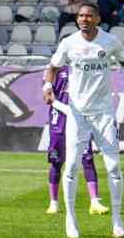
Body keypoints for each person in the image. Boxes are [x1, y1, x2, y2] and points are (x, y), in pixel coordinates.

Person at [43, 3, 124, 238]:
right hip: (77, 113)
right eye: (80, 16)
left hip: (104, 113)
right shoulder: (69, 43)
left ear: (97, 18)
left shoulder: (110, 41)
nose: (83, 19)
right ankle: (70, 219)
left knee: (113, 167)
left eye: (88, 16)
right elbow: (52, 68)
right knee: (72, 165)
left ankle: (117, 220)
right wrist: (47, 86)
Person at [44, 66, 107, 217]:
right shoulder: (55, 70)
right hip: (59, 120)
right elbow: (48, 97)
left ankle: (95, 202)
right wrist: (60, 106)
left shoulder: (85, 68)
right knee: (57, 162)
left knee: (87, 159)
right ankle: (53, 203)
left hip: (80, 121)